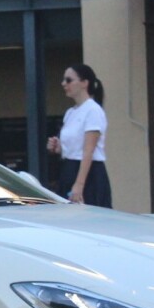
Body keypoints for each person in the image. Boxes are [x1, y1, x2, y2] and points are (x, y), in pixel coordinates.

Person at [46, 64, 112, 207]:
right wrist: (58, 147)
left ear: (84, 83)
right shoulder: (70, 112)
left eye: (69, 80)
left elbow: (89, 150)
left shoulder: (93, 110)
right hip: (69, 169)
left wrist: (79, 184)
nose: (64, 84)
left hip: (89, 174)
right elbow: (73, 147)